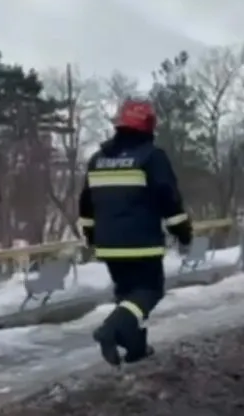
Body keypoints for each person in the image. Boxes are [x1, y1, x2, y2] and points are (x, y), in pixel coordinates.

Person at [78, 99, 193, 368]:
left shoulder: (98, 159)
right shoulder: (151, 157)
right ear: (149, 128)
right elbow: (169, 199)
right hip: (141, 242)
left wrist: (91, 235)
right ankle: (109, 329)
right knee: (149, 291)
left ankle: (135, 348)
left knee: (128, 297)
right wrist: (182, 231)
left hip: (107, 244)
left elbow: (85, 203)